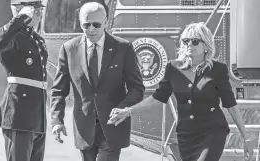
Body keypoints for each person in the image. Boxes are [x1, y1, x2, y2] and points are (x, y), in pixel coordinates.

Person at [108, 22, 254, 161]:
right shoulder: (173, 68)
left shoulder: (217, 70)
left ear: (206, 46)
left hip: (213, 132)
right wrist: (128, 111)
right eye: (186, 41)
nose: (189, 44)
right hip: (186, 136)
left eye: (195, 41)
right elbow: (158, 98)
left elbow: (231, 105)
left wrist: (246, 138)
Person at [50, 2, 145, 161]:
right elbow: (59, 90)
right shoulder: (68, 49)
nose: (91, 29)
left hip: (113, 126)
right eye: (86, 25)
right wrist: (57, 121)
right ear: (80, 23)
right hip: (84, 128)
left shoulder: (123, 48)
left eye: (96, 24)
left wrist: (122, 109)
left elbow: (137, 88)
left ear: (106, 22)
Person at [0, 0, 48, 161]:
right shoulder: (12, 37)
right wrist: (20, 17)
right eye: (35, 11)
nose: (39, 15)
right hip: (19, 112)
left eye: (39, 11)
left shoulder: (36, 39)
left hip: (37, 112)